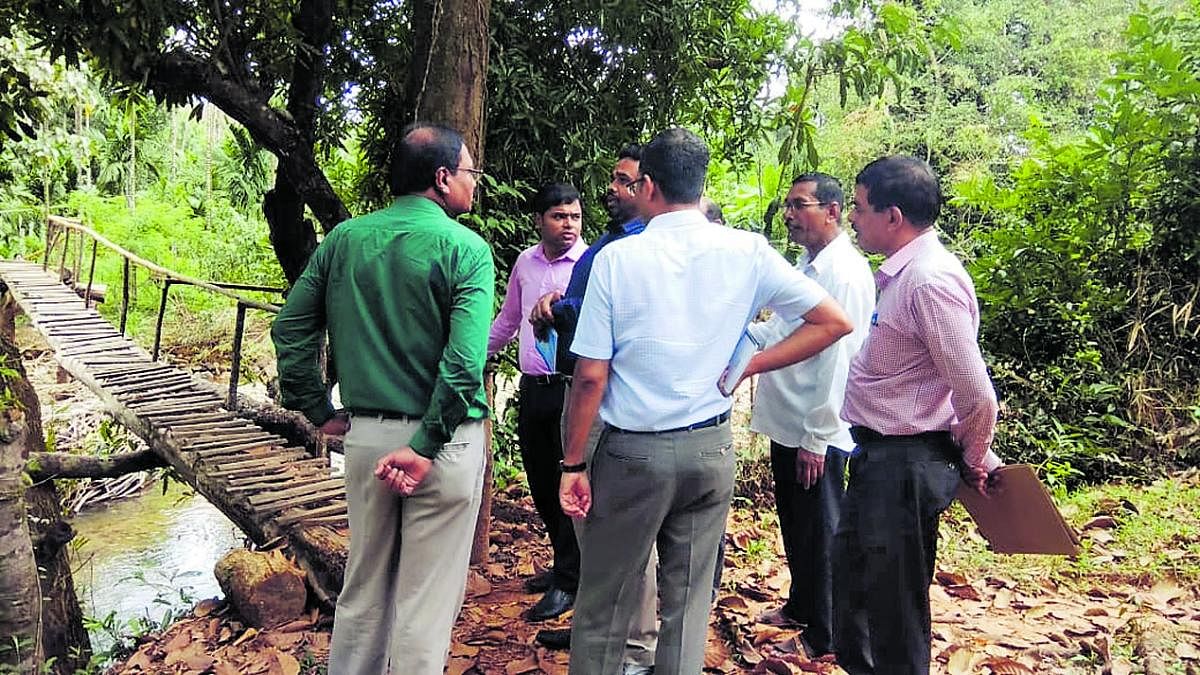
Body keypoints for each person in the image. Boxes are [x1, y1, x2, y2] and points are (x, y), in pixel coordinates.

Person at [559, 127, 854, 674]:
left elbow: (590, 378)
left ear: (647, 186)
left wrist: (573, 462)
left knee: (604, 604)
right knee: (689, 605)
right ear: (700, 185)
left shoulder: (619, 260)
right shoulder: (747, 250)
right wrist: (746, 366)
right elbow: (833, 321)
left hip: (633, 455)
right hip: (711, 450)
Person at [270, 123, 493, 675]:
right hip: (444, 448)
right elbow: (464, 364)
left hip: (366, 440)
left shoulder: (345, 240)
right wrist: (425, 445)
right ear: (442, 179)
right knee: (426, 602)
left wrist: (317, 409)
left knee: (364, 588)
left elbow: (291, 329)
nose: (474, 184)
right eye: (470, 173)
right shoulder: (466, 249)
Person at [835, 155, 1001, 675]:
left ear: (893, 216)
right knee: (854, 590)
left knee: (894, 608)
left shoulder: (929, 281)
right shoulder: (902, 276)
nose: (853, 220)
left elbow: (977, 393)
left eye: (859, 209)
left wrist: (973, 456)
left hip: (905, 465)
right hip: (879, 458)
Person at [529, 145, 661, 675]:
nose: (611, 188)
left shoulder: (636, 251)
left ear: (648, 188)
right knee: (594, 525)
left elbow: (609, 323)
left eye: (623, 181)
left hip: (611, 403)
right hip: (587, 397)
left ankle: (634, 647)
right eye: (612, 178)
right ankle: (600, 627)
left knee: (625, 530)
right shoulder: (609, 246)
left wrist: (559, 309)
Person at [749, 173, 875, 658]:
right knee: (797, 522)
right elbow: (780, 328)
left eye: (800, 205)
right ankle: (801, 605)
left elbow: (841, 361)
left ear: (834, 210)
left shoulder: (844, 273)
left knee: (821, 529)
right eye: (788, 206)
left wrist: (819, 437)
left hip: (815, 424)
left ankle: (824, 632)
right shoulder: (806, 265)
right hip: (788, 415)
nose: (789, 215)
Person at [487, 182, 587, 621]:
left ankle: (570, 581)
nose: (568, 225)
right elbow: (509, 320)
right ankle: (563, 565)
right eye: (559, 217)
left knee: (571, 482)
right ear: (539, 220)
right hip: (534, 387)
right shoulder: (525, 263)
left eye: (575, 217)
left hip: (573, 387)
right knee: (543, 482)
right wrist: (470, 358)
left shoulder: (590, 263)